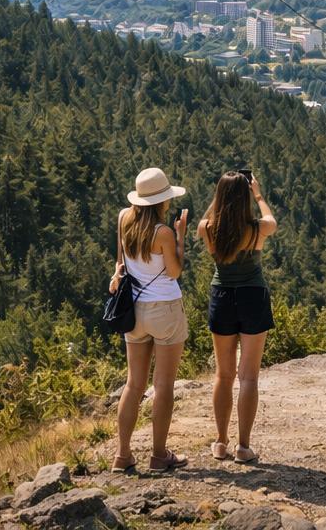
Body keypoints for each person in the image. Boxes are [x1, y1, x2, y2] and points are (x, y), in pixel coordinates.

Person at [110, 167, 191, 473]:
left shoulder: (123, 218)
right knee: (163, 385)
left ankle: (123, 455)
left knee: (134, 384)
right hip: (165, 310)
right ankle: (158, 456)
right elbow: (174, 271)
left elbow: (120, 262)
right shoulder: (163, 232)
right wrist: (180, 238)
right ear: (161, 201)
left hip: (134, 311)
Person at [197, 171, 277, 463]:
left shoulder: (206, 227)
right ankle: (243, 447)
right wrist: (257, 194)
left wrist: (221, 200)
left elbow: (214, 221)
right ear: (245, 197)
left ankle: (220, 443)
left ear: (219, 197)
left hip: (221, 297)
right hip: (252, 297)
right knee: (248, 377)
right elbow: (272, 220)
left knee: (224, 375)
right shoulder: (258, 228)